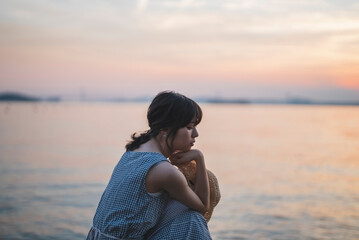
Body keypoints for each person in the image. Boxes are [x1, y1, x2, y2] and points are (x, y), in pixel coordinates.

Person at [87, 91, 212, 240]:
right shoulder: (164, 171)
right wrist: (199, 158)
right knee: (192, 218)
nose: (196, 134)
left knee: (178, 206)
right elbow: (203, 205)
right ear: (165, 128)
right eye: (189, 127)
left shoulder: (134, 150)